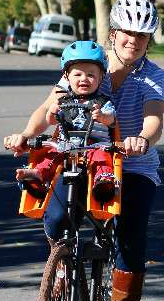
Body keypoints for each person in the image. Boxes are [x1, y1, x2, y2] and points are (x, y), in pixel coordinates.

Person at [4, 0, 164, 301]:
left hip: (131, 161)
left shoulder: (152, 75)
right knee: (56, 210)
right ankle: (61, 260)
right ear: (113, 34)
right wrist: (28, 134)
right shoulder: (86, 61)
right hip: (79, 154)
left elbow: (154, 118)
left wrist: (142, 138)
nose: (134, 42)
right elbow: (49, 110)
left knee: (130, 237)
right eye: (128, 33)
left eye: (143, 36)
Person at [15, 41, 118, 203]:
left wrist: (103, 116)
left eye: (91, 75)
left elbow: (112, 119)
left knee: (101, 157)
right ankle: (38, 176)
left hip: (93, 145)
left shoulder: (103, 102)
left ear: (101, 77)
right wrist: (52, 112)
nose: (84, 79)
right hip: (66, 146)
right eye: (78, 74)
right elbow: (50, 121)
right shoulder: (63, 101)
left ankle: (103, 182)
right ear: (66, 76)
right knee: (50, 155)